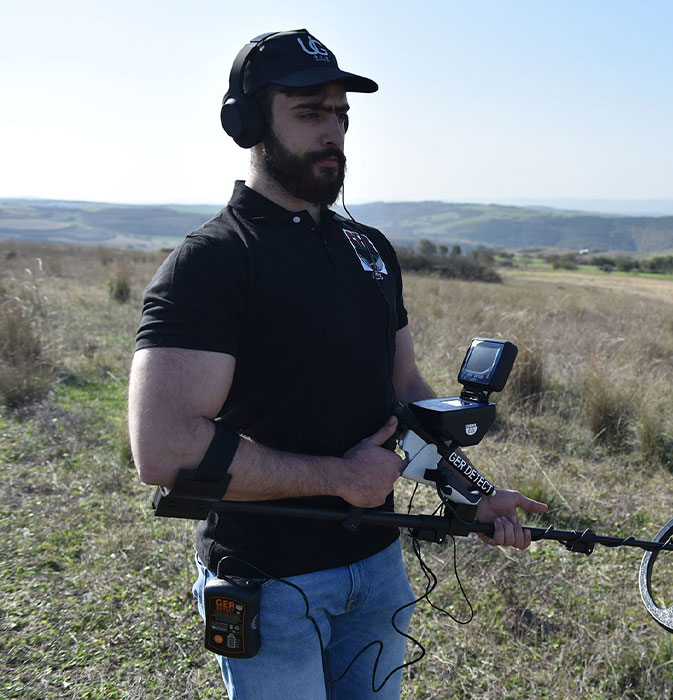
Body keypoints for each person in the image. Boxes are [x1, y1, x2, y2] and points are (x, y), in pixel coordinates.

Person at [127, 29, 546, 699]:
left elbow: (405, 390)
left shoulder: (369, 249)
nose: (333, 133)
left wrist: (471, 493)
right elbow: (165, 448)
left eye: (341, 114)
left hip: (378, 564)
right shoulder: (212, 262)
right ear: (248, 124)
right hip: (269, 579)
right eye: (309, 112)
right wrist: (340, 477)